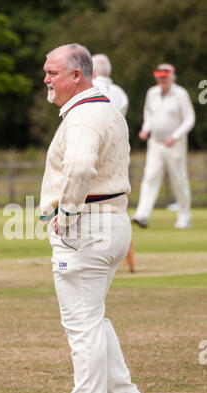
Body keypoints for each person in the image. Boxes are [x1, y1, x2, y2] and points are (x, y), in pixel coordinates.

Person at [39, 43, 149, 393]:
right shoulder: (105, 108)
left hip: (87, 227)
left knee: (80, 324)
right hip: (111, 224)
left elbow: (81, 166)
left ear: (76, 76)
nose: (46, 79)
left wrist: (66, 214)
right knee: (92, 319)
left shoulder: (85, 116)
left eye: (53, 72)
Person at [132, 63, 195, 229]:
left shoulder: (180, 94)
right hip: (156, 143)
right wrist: (146, 129)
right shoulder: (152, 93)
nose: (162, 81)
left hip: (175, 144)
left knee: (178, 180)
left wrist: (175, 136)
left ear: (171, 77)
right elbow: (148, 114)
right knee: (150, 177)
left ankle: (184, 217)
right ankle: (142, 214)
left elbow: (189, 119)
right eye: (159, 78)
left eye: (165, 78)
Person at [92, 53, 134, 273]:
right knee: (116, 197)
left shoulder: (87, 90)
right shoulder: (121, 94)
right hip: (116, 154)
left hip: (92, 150)